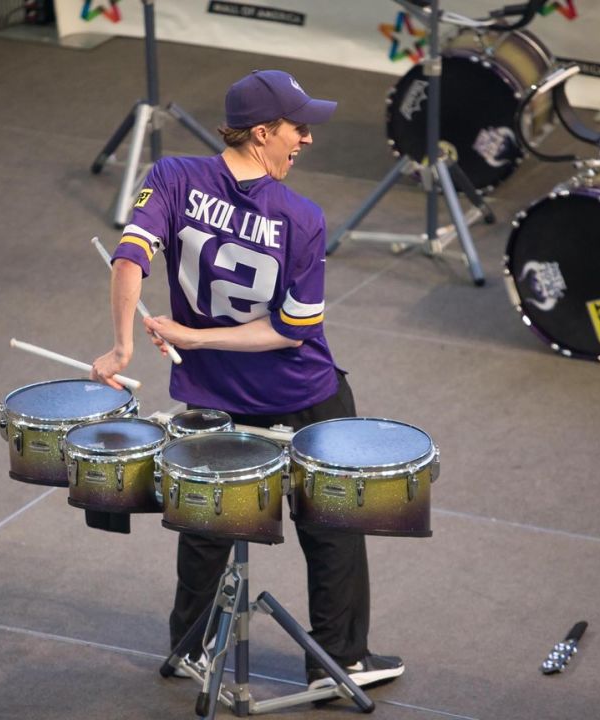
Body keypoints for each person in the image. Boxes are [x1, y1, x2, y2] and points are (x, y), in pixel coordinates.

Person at [90, 70, 403, 690]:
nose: (307, 139)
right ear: (263, 134)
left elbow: (129, 257)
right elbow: (290, 332)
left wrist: (128, 344)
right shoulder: (303, 218)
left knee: (208, 523)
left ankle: (190, 648)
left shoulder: (172, 177)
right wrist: (194, 335)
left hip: (213, 398)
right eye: (298, 127)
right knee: (333, 524)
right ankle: (338, 663)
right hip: (303, 394)